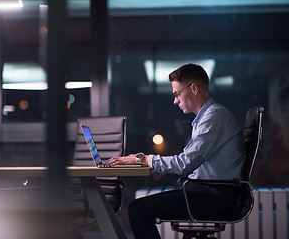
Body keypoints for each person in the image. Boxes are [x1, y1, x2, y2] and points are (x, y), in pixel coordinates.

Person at [104, 63, 246, 239]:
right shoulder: (207, 118)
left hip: (214, 197)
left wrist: (143, 159)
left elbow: (183, 164)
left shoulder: (214, 117)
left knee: (137, 210)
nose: (175, 101)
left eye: (177, 94)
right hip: (209, 193)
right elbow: (187, 162)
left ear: (194, 88)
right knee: (143, 207)